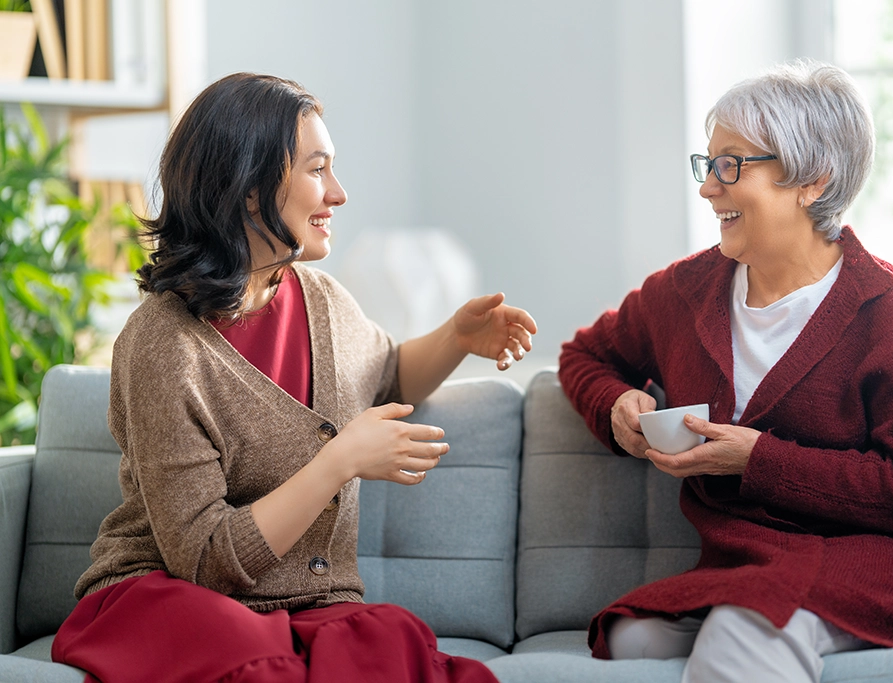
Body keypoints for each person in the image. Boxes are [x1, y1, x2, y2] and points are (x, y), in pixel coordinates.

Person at [51, 72, 537, 683]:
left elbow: (387, 374)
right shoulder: (162, 346)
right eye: (317, 170)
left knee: (395, 642)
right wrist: (339, 459)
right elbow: (205, 561)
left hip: (300, 607)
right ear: (250, 191)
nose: (339, 194)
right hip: (161, 598)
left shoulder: (323, 300)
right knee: (257, 661)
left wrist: (457, 339)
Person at [558, 60, 893, 683]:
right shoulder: (683, 292)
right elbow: (584, 355)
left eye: (731, 165)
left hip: (870, 566)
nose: (708, 188)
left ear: (812, 182)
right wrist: (615, 403)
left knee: (746, 628)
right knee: (632, 637)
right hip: (747, 563)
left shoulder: (890, 309)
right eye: (707, 164)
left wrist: (757, 458)